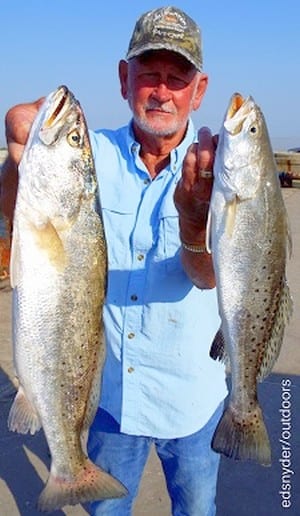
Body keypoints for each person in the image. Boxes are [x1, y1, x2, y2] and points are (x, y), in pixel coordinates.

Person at [0, 6, 227, 516]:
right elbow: (18, 220)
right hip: (107, 400)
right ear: (125, 79)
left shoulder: (219, 171)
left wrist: (194, 225)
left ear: (199, 89)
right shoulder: (92, 157)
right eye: (149, 73)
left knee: (197, 507)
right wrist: (19, 162)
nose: (161, 91)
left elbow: (214, 276)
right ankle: (71, 470)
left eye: (177, 77)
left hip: (191, 399)